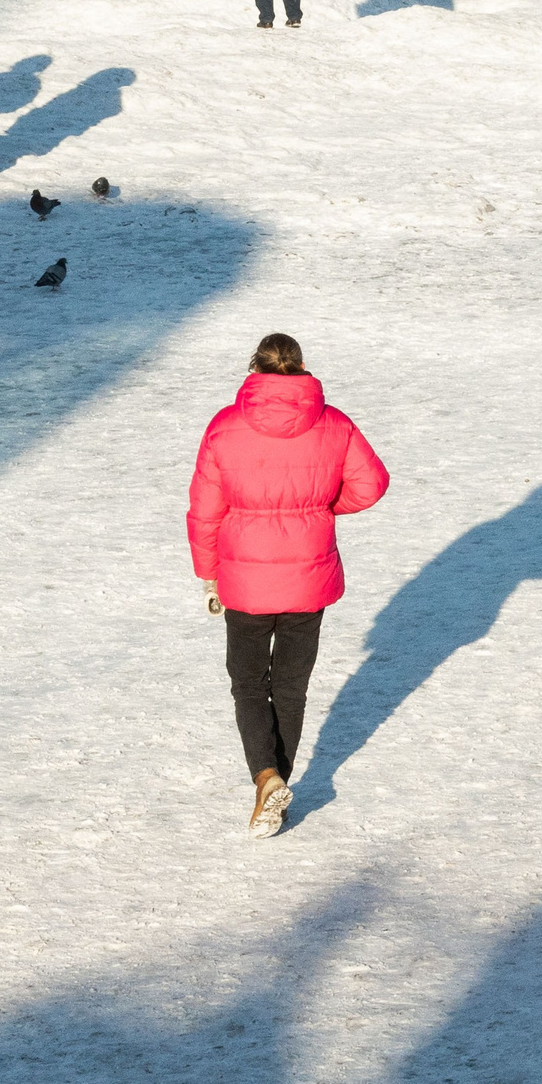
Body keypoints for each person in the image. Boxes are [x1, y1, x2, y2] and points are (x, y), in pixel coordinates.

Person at [185, 331, 389, 838]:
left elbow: (205, 512)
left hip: (244, 580)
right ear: (300, 366)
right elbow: (372, 483)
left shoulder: (225, 427)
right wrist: (320, 509)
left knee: (249, 682)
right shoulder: (333, 422)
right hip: (309, 578)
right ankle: (275, 785)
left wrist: (207, 574)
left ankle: (266, 777)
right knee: (291, 685)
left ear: (255, 366)